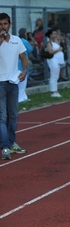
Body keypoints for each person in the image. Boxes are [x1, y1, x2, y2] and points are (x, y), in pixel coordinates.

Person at [0, 13, 28, 159]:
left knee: (13, 116)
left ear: (9, 25)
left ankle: (11, 143)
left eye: (5, 24)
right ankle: (5, 147)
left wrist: (24, 71)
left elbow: (23, 58)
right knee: (2, 116)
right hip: (0, 84)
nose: (2, 27)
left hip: (13, 82)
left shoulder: (17, 41)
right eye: (0, 24)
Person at [45, 28, 64, 97]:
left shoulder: (55, 42)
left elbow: (61, 44)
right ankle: (53, 92)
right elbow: (50, 52)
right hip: (53, 60)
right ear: (50, 35)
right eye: (54, 34)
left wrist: (58, 41)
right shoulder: (49, 43)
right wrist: (58, 50)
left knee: (56, 76)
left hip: (58, 60)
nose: (56, 35)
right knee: (54, 76)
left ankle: (56, 91)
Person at [18, 28, 33, 102]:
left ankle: (24, 96)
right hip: (22, 61)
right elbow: (30, 49)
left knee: (20, 80)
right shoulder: (24, 41)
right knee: (23, 80)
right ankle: (20, 98)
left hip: (17, 61)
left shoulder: (18, 40)